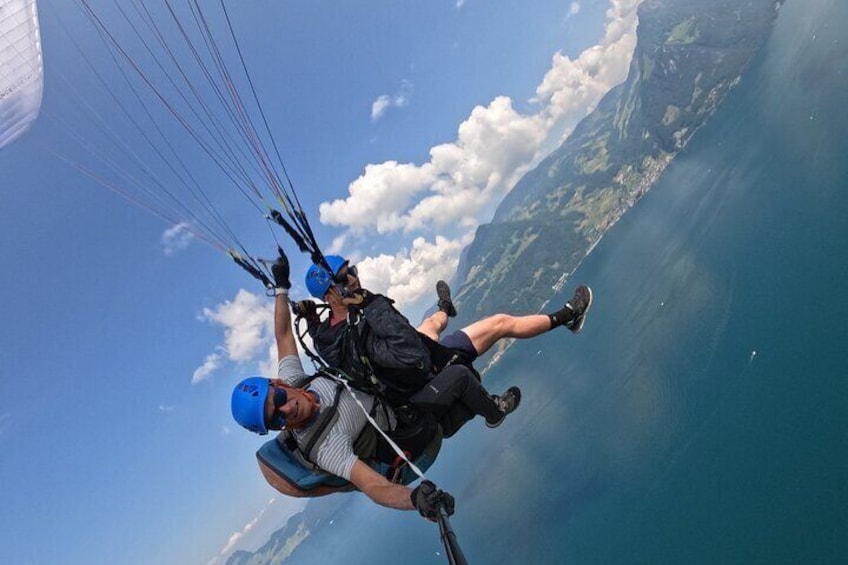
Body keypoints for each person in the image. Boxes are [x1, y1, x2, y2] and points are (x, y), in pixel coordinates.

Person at [231, 255, 455, 519]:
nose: (287, 408)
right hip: (407, 430)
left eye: (278, 397)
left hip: (385, 394)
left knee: (432, 326)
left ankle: (444, 309)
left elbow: (283, 335)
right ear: (275, 428)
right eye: (277, 417)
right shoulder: (323, 447)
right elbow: (374, 486)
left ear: (278, 383)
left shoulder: (295, 381)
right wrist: (416, 500)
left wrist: (281, 288)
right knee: (480, 334)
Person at [297, 255, 592, 423]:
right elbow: (413, 355)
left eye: (352, 270)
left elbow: (327, 340)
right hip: (423, 377)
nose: (354, 277)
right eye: (344, 276)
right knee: (494, 327)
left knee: (432, 324)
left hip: (419, 358)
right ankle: (495, 411)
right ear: (331, 292)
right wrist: (370, 304)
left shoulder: (329, 333)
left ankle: (444, 309)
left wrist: (312, 319)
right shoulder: (353, 327)